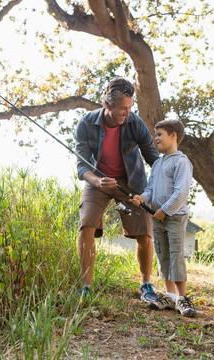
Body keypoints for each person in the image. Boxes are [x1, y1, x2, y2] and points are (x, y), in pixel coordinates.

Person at [75, 77, 160, 301]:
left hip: (131, 181)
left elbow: (154, 158)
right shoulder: (86, 123)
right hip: (98, 180)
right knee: (86, 226)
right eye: (123, 108)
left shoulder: (136, 122)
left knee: (144, 232)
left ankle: (146, 285)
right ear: (107, 104)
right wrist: (97, 182)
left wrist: (163, 185)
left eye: (130, 107)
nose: (128, 113)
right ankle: (86, 287)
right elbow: (82, 166)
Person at [130, 119, 196, 317]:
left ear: (173, 135)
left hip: (174, 217)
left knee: (176, 254)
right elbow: (151, 189)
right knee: (162, 254)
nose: (155, 138)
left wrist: (165, 210)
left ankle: (183, 298)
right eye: (155, 134)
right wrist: (143, 197)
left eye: (159, 134)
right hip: (157, 218)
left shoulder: (181, 161)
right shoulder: (157, 164)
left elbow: (182, 192)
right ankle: (169, 296)